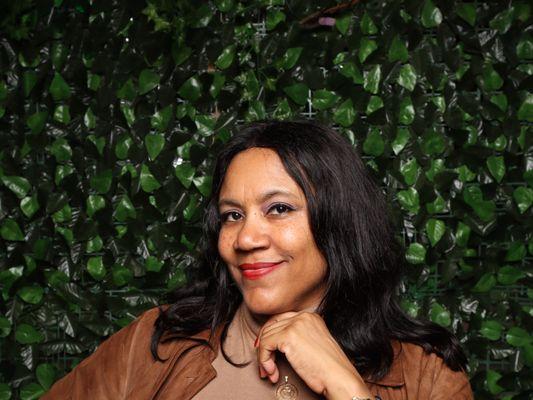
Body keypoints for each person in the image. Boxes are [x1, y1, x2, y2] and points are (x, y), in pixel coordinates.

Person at [43, 120, 473, 399]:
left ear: (338, 221)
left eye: (279, 209)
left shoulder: (426, 376)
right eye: (232, 215)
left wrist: (347, 387)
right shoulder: (155, 343)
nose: (246, 238)